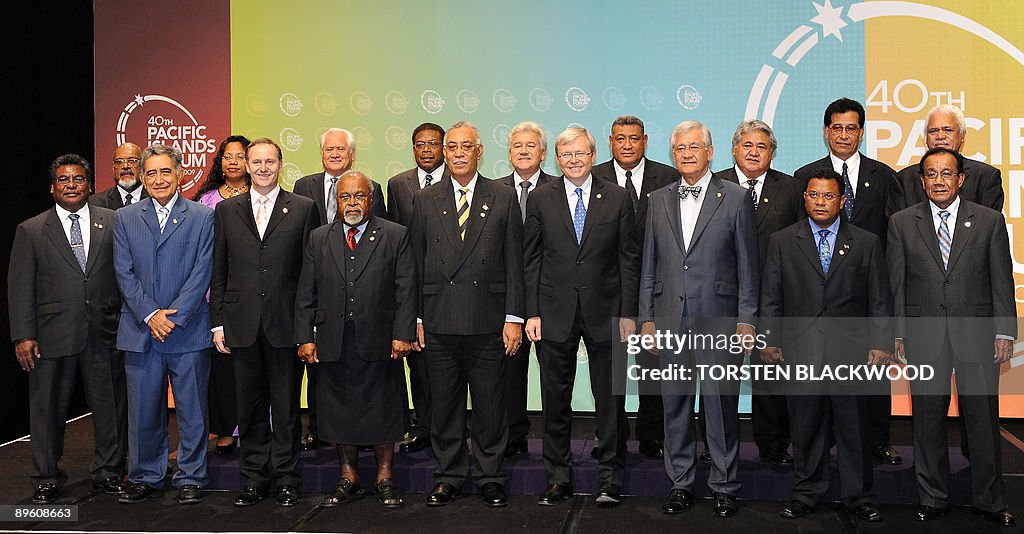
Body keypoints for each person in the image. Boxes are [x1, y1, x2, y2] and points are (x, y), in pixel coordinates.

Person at [888, 147, 1017, 527]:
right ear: (921, 179)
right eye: (931, 174)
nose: (939, 180)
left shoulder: (989, 221)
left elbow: (1000, 280)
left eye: (947, 173)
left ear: (961, 179)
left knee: (982, 421)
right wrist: (897, 333)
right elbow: (896, 285)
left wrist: (1005, 329)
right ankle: (933, 497)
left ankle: (990, 502)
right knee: (927, 423)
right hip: (923, 337)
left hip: (978, 336)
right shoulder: (901, 222)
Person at [639, 120, 758, 518]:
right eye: (680, 149)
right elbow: (649, 267)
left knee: (720, 406)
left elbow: (748, 266)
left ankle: (724, 485)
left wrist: (747, 320)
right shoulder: (657, 199)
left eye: (694, 147)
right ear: (673, 155)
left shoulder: (737, 198)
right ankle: (680, 483)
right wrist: (647, 320)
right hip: (670, 319)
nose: (687, 154)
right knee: (674, 405)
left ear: (710, 152)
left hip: (720, 320)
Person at [760, 168, 889, 523]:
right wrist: (769, 339)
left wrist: (880, 344)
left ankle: (859, 496)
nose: (821, 202)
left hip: (852, 352)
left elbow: (879, 299)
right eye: (814, 195)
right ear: (805, 199)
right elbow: (771, 297)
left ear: (842, 200)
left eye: (829, 196)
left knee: (853, 428)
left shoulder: (866, 242)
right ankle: (806, 493)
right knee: (805, 426)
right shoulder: (783, 241)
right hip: (800, 349)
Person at [409, 121, 524, 508]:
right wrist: (417, 319)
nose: (457, 153)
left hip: (488, 319)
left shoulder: (503, 196)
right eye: (451, 146)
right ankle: (450, 475)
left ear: (479, 151)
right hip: (439, 318)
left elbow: (514, 262)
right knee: (444, 405)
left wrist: (514, 317)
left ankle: (491, 475)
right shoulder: (426, 199)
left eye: (465, 146)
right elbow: (416, 263)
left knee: (491, 404)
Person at [524, 127, 638, 507]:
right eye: (566, 154)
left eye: (581, 154)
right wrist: (532, 312)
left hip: (607, 312)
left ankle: (610, 477)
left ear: (593, 155)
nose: (574, 160)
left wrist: (628, 313)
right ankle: (558, 478)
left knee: (610, 400)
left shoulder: (618, 198)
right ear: (556, 158)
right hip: (553, 313)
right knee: (555, 400)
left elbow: (628, 259)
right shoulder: (540, 198)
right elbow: (532, 260)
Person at [8, 154, 128, 503]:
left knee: (110, 409)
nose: (71, 185)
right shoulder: (30, 230)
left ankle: (108, 471)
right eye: (64, 179)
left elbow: (124, 273)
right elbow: (19, 287)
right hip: (49, 335)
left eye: (78, 179)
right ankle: (47, 476)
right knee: (47, 410)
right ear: (52, 187)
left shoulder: (113, 221)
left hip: (104, 330)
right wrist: (23, 335)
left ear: (90, 185)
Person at [295, 170, 417, 508]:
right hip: (333, 342)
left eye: (359, 196)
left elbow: (406, 289)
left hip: (381, 342)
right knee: (339, 413)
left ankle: (385, 477)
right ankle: (348, 476)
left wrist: (403, 334)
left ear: (371, 199)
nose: (352, 203)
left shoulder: (395, 234)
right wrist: (305, 337)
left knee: (383, 410)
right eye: (345, 197)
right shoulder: (319, 237)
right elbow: (306, 291)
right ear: (336, 201)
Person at [793, 97, 904, 465]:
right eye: (837, 128)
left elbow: (892, 235)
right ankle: (819, 444)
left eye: (851, 128)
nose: (844, 135)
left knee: (872, 372)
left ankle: (877, 440)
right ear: (826, 131)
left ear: (861, 131)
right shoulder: (805, 175)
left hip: (868, 289)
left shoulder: (885, 175)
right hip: (821, 296)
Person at [209, 138, 316, 507]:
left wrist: (307, 326)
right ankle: (254, 478)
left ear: (281, 164)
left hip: (285, 326)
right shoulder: (226, 210)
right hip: (240, 325)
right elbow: (218, 270)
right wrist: (218, 321)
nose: (263, 167)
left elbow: (309, 274)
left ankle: (287, 478)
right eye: (257, 161)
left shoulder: (303, 208)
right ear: (248, 166)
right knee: (250, 407)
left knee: (286, 408)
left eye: (270, 161)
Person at [113, 144, 215, 505]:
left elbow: (203, 272)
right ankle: (146, 475)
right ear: (142, 177)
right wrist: (149, 315)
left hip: (187, 329)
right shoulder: (124, 218)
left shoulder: (202, 217)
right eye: (151, 173)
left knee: (192, 411)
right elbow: (123, 273)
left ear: (180, 174)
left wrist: (173, 316)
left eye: (165, 172)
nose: (158, 179)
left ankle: (191, 475)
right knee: (142, 411)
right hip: (140, 330)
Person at [714, 119, 803, 466]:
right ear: (734, 148)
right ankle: (716, 444)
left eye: (761, 146)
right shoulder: (714, 184)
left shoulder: (792, 189)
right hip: (722, 298)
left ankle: (773, 445)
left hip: (773, 298)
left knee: (771, 376)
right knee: (720, 377)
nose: (753, 152)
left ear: (772, 153)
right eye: (747, 145)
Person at [292, 127, 386, 450]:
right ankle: (319, 430)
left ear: (351, 155)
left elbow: (383, 255)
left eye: (340, 150)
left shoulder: (372, 190)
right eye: (328, 149)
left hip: (367, 311)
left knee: (370, 391)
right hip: (325, 302)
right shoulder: (303, 187)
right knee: (324, 383)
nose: (334, 154)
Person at [591, 115, 675, 459]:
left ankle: (652, 434)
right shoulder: (592, 176)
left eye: (634, 139)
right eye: (620, 139)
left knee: (653, 364)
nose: (627, 145)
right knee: (609, 371)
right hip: (607, 289)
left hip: (658, 287)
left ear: (645, 141)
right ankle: (611, 436)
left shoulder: (668, 177)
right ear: (610, 141)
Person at [385, 122, 447, 454]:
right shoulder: (398, 185)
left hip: (450, 285)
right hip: (412, 285)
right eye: (420, 144)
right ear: (413, 149)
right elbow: (392, 237)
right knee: (419, 365)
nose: (426, 150)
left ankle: (449, 427)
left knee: (449, 363)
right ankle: (423, 426)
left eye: (433, 144)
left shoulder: (460, 182)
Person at [497, 120, 556, 458]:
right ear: (508, 153)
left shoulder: (560, 189)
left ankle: (553, 442)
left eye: (530, 145)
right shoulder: (494, 191)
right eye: (517, 146)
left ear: (544, 153)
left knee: (551, 376)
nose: (523, 151)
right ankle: (513, 436)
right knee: (509, 373)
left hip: (548, 298)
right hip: (505, 298)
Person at [194, 134, 252, 455]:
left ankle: (255, 426)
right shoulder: (206, 201)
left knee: (253, 365)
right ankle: (227, 430)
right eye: (227, 156)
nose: (233, 161)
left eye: (239, 156)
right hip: (214, 293)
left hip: (251, 293)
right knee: (222, 367)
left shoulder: (261, 196)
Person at [895, 104, 1003, 212]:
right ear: (926, 138)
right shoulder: (904, 180)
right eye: (933, 131)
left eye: (948, 130)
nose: (940, 136)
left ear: (962, 135)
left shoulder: (986, 177)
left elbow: (989, 225)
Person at [90, 142, 148, 209]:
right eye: (119, 162)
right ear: (113, 168)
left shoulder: (155, 198)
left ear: (143, 166)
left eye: (132, 161)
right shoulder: (95, 203)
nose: (125, 166)